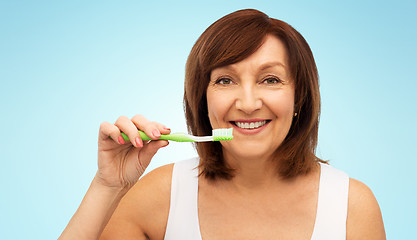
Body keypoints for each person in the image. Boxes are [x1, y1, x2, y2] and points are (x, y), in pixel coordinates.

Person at [59, 9, 386, 240]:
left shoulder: (351, 207)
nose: (247, 103)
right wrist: (107, 187)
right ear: (202, 100)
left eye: (270, 79)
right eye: (226, 80)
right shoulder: (160, 196)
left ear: (299, 98)